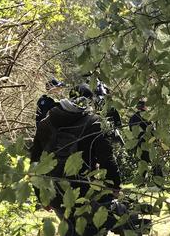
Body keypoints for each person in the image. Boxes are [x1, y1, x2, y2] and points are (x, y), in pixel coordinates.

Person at [30, 86, 122, 235]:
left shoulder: (45, 123)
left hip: (55, 191)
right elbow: (107, 159)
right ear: (89, 101)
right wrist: (115, 185)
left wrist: (41, 196)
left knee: (69, 229)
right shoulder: (94, 123)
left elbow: (35, 162)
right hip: (84, 191)